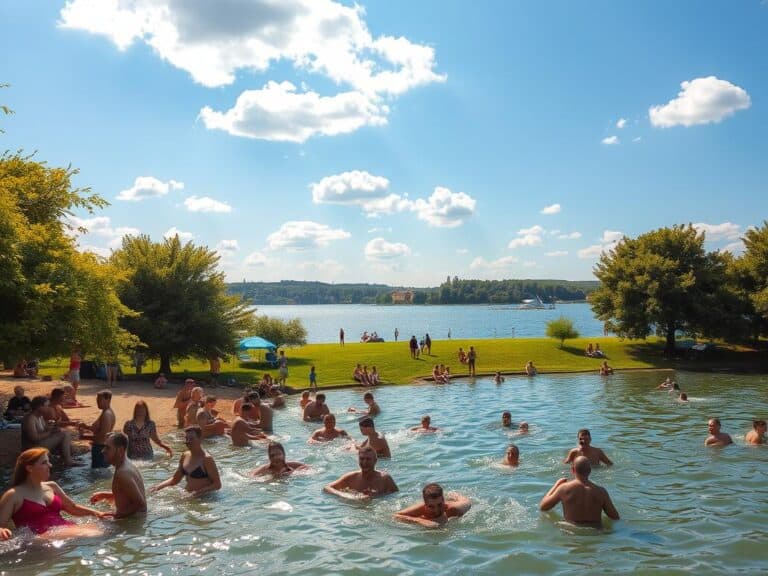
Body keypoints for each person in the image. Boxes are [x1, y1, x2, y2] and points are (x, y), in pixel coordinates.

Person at [0, 448, 107, 540]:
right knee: (95, 535)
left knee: (102, 529)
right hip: (38, 540)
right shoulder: (13, 495)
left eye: (48, 461)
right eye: (44, 462)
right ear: (29, 468)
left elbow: (73, 507)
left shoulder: (52, 486)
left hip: (63, 531)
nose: (50, 465)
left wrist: (98, 513)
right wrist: (2, 530)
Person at [539, 456, 620, 527]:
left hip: (571, 531)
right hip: (596, 532)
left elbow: (543, 507)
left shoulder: (563, 488)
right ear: (590, 470)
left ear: (573, 470)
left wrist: (557, 484)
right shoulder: (601, 491)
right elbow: (615, 517)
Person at [151, 426, 222, 498]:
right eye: (186, 438)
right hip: (188, 496)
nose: (188, 441)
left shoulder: (207, 459)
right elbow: (175, 479)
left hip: (204, 499)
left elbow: (217, 485)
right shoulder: (185, 455)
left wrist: (196, 494)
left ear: (200, 439)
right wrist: (158, 487)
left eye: (191, 439)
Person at [89, 432, 146, 518]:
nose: (103, 451)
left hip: (131, 525)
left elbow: (141, 505)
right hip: (132, 520)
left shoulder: (123, 473)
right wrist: (105, 495)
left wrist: (116, 515)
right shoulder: (126, 466)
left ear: (120, 450)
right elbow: (126, 494)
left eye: (107, 448)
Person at [324, 446, 398, 501]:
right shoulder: (351, 477)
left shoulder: (385, 478)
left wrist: (379, 497)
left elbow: (396, 495)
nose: (364, 462)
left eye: (368, 459)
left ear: (375, 461)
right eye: (362, 459)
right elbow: (327, 488)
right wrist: (348, 496)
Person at [21, 396, 77, 466]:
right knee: (64, 434)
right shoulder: (30, 418)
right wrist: (50, 432)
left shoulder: (40, 416)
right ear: (39, 407)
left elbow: (43, 429)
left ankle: (65, 457)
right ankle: (68, 461)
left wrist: (51, 428)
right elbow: (34, 437)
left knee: (64, 432)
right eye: (46, 406)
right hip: (31, 448)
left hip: (39, 443)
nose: (48, 408)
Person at [393, 483, 471, 528]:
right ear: (425, 505)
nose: (436, 510)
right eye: (431, 507)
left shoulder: (453, 509)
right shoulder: (421, 508)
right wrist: (420, 521)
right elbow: (395, 515)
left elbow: (467, 502)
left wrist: (456, 496)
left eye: (439, 505)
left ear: (443, 501)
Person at [79, 390, 116, 469]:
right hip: (100, 449)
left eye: (100, 400)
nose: (97, 402)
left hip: (101, 449)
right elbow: (97, 429)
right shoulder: (105, 412)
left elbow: (102, 436)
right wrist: (86, 426)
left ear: (108, 399)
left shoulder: (106, 415)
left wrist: (84, 437)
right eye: (97, 400)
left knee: (98, 477)